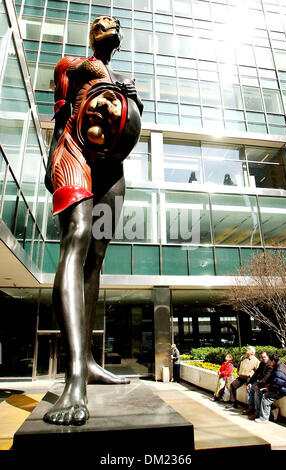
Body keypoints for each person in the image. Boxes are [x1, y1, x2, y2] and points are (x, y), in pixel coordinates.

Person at [43, 15, 143, 426]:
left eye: (113, 21)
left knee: (96, 258)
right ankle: (74, 381)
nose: (108, 23)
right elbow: (64, 105)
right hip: (76, 152)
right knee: (78, 237)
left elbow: (130, 124)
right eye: (100, 21)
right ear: (91, 35)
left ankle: (89, 363)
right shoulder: (75, 67)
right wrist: (52, 160)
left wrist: (135, 101)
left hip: (111, 168)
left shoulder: (123, 80)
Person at [255, 353, 286, 423]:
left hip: (284, 390)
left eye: (269, 360)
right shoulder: (278, 365)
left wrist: (269, 389)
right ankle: (273, 410)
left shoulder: (280, 369)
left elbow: (278, 384)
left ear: (272, 361)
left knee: (265, 397)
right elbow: (275, 380)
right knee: (261, 392)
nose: (268, 362)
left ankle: (264, 418)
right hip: (283, 387)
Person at [242, 350, 273, 420]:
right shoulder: (262, 363)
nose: (263, 359)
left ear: (267, 356)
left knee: (257, 392)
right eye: (262, 357)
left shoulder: (270, 364)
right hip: (260, 382)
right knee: (250, 388)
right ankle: (251, 408)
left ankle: (257, 412)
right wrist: (250, 382)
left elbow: (266, 377)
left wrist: (258, 386)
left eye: (264, 357)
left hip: (266, 383)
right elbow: (256, 373)